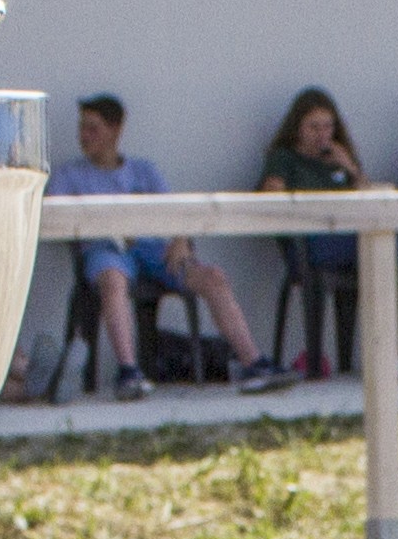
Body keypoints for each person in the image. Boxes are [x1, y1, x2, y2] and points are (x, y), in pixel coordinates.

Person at [53, 95, 278, 397]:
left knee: (213, 277)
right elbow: (55, 218)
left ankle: (254, 363)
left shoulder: (143, 171)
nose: (84, 136)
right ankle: (128, 372)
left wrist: (181, 240)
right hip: (106, 249)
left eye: (93, 129)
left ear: (116, 130)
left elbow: (174, 212)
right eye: (82, 128)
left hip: (152, 250)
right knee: (112, 281)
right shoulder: (69, 175)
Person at [257, 88, 398, 376]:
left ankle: (387, 356)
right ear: (298, 128)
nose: (322, 134)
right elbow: (272, 196)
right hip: (309, 246)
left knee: (381, 248)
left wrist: (350, 168)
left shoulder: (337, 161)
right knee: (376, 242)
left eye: (328, 126)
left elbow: (370, 202)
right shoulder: (284, 158)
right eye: (313, 127)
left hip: (347, 244)